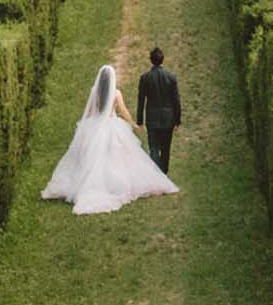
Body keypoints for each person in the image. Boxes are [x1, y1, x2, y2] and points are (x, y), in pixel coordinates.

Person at [41, 63, 179, 215]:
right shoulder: (116, 93)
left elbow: (91, 111)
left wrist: (85, 127)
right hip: (112, 125)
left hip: (95, 125)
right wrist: (133, 124)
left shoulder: (94, 91)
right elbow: (123, 111)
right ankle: (114, 184)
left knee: (94, 158)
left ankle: (91, 185)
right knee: (117, 157)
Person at [136, 45, 181, 174]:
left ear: (151, 60)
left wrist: (140, 121)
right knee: (166, 148)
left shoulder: (145, 78)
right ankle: (164, 174)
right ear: (162, 59)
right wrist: (177, 120)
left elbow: (141, 100)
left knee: (154, 148)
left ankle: (156, 176)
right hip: (168, 118)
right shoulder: (171, 77)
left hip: (152, 119)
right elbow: (176, 100)